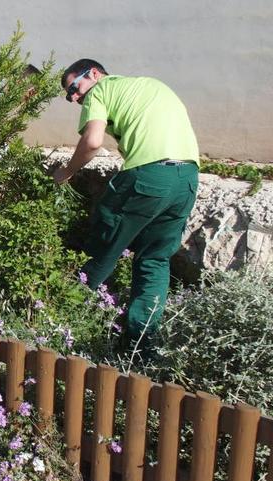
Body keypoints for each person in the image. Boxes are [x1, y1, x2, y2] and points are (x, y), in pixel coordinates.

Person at [54, 59, 199, 349]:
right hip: (187, 178)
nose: (73, 97)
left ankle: (59, 321)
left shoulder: (100, 91)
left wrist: (65, 173)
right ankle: (140, 346)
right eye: (69, 95)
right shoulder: (150, 85)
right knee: (154, 259)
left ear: (94, 74)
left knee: (103, 243)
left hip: (149, 175)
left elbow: (93, 141)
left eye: (74, 87)